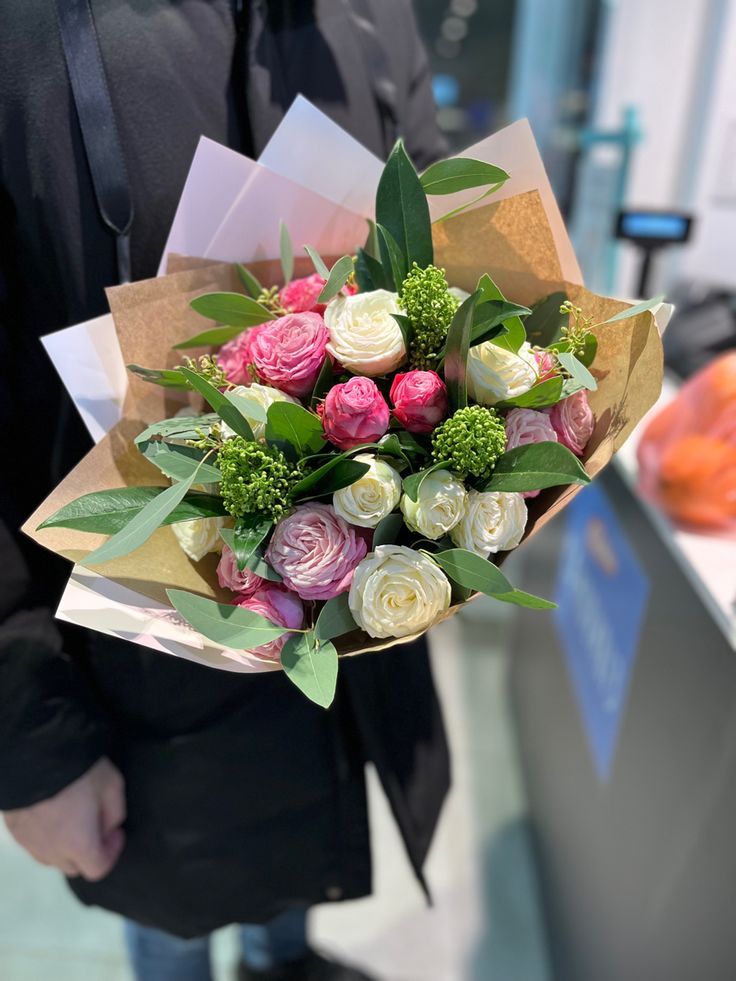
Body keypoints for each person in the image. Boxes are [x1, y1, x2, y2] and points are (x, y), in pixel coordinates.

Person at [0, 2, 450, 980]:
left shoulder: (363, 14)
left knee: (308, 849)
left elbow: (441, 235)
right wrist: (28, 741)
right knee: (176, 899)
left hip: (352, 592)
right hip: (122, 636)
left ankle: (284, 961)